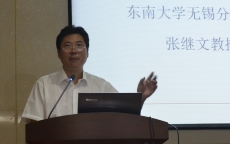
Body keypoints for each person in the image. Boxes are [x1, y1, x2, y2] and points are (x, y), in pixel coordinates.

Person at [21, 25, 158, 122]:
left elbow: (124, 117)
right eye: (67, 46)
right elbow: (33, 126)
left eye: (79, 45)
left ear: (87, 52)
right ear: (58, 53)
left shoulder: (102, 86)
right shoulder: (44, 85)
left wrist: (141, 98)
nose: (73, 51)